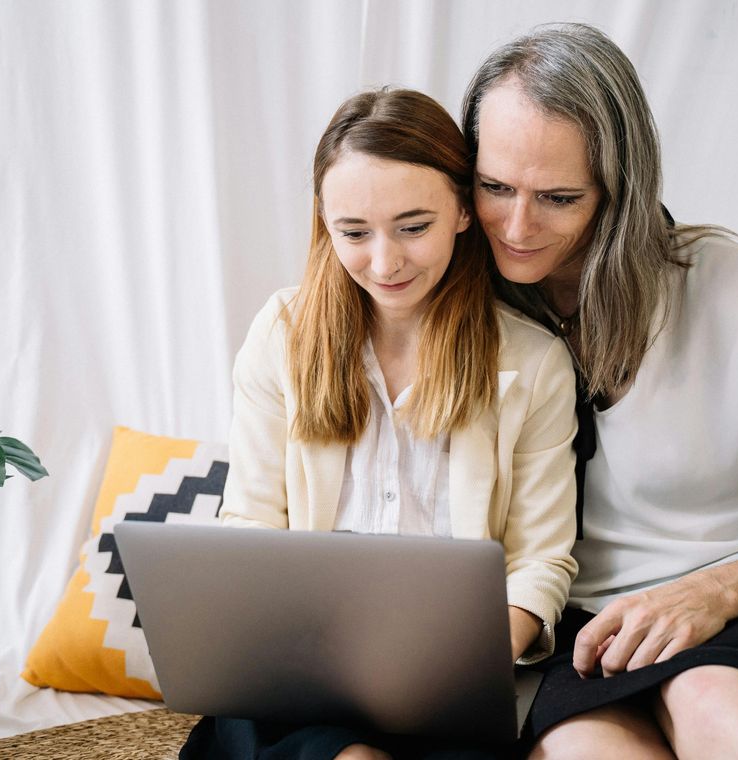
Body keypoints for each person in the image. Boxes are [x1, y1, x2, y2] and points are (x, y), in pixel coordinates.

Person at [461, 22, 738, 760]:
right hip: (574, 628)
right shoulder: (456, 308)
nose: (517, 226)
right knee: (590, 750)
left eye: (559, 197)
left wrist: (712, 594)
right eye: (495, 186)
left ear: (620, 192)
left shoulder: (731, 288)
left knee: (711, 698)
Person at [179, 88, 579, 760]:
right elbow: (249, 522)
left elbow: (541, 560)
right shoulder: (281, 335)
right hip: (299, 684)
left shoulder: (533, 362)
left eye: (413, 226)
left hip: (451, 687)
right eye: (354, 233)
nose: (385, 262)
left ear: (461, 209)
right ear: (323, 222)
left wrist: (465, 661)